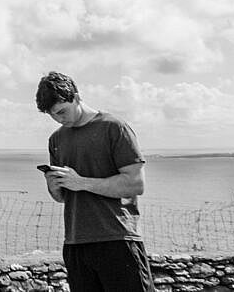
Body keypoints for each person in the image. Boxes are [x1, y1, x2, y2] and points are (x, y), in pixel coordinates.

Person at [36, 72, 154, 292]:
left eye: (62, 111)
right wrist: (54, 187)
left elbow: (136, 184)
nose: (60, 119)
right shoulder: (56, 139)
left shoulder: (114, 127)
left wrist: (82, 182)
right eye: (53, 115)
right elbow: (62, 197)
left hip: (118, 238)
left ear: (77, 97)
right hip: (75, 244)